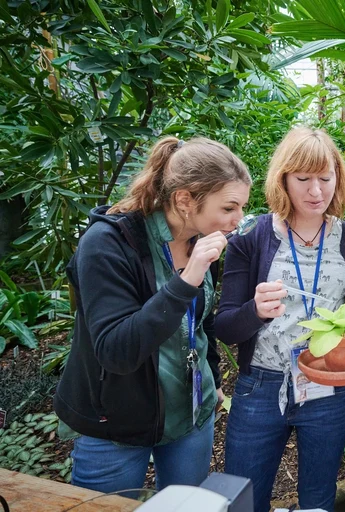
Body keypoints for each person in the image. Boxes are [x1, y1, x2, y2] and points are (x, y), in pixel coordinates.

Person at [54, 137, 252, 493]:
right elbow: (116, 350)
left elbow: (202, 319)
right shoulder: (107, 244)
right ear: (184, 200)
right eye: (229, 208)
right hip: (116, 426)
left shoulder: (201, 238)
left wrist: (214, 377)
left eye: (242, 207)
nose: (238, 220)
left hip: (191, 414)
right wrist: (187, 279)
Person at [215, 127, 345, 512]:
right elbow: (225, 326)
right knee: (243, 498)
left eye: (325, 178)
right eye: (303, 179)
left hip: (328, 388)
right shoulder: (252, 237)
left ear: (338, 178)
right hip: (261, 386)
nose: (316, 191)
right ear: (283, 180)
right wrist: (255, 310)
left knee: (318, 497)